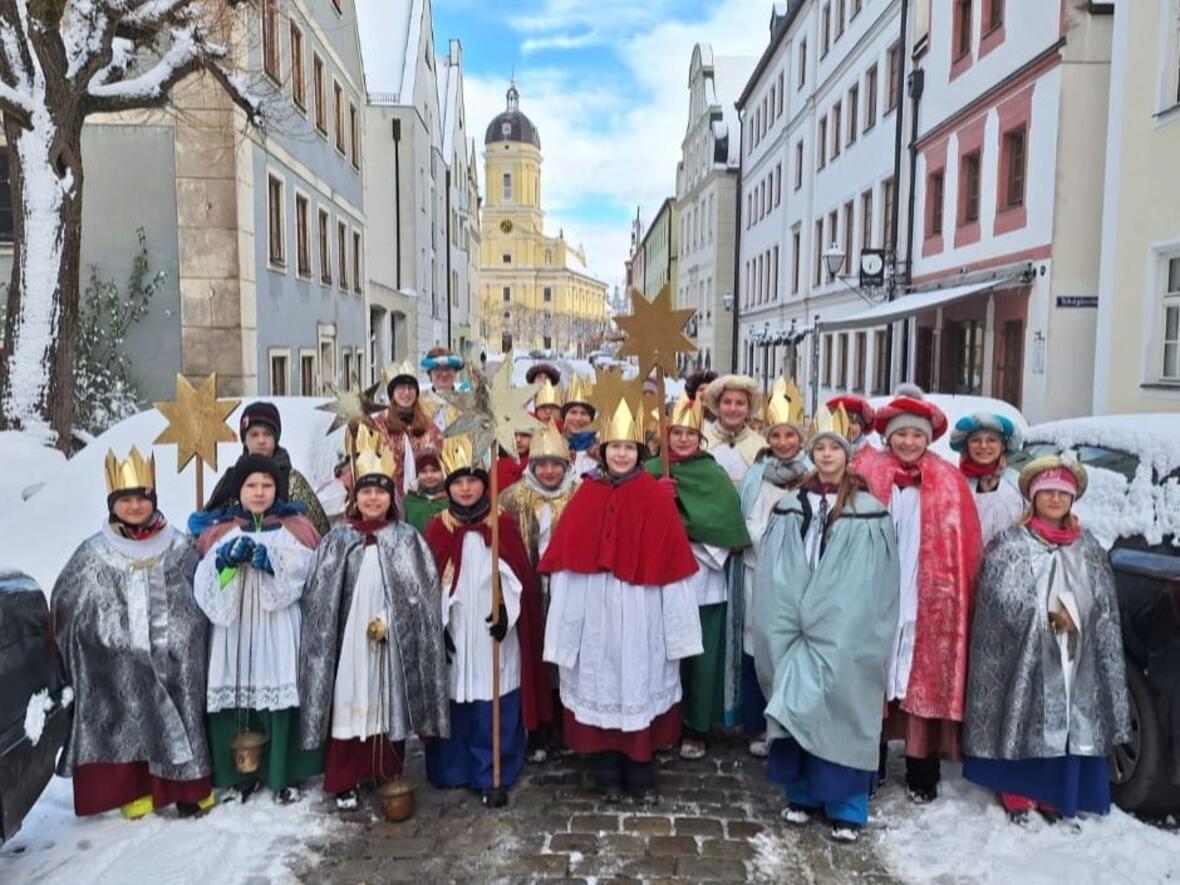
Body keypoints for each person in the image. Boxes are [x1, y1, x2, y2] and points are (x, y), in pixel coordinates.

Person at [541, 401, 703, 804]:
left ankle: (640, 772)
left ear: (639, 453)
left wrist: (678, 631)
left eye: (629, 449)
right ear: (603, 449)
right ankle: (606, 773)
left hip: (641, 607)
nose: (621, 455)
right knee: (598, 680)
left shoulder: (654, 496)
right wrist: (564, 625)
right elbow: (567, 565)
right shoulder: (586, 493)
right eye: (615, 447)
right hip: (595, 608)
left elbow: (674, 568)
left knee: (638, 681)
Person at [754, 407, 899, 842]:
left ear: (848, 453)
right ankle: (802, 794)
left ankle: (846, 805)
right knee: (796, 699)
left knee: (843, 704)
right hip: (794, 623)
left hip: (844, 627)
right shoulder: (791, 505)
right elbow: (775, 570)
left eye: (835, 447)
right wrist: (789, 613)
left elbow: (873, 581)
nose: (826, 454)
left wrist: (839, 618)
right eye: (820, 446)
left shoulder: (868, 510)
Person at [963, 456, 1130, 823]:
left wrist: (1076, 618)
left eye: (1062, 493)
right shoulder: (1010, 545)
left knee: (1066, 721)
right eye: (1047, 492)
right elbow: (998, 599)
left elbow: (1102, 605)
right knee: (1024, 713)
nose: (1055, 499)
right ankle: (1018, 790)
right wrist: (1038, 617)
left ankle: (1058, 791)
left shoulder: (1088, 548)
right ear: (1033, 498)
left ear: (1072, 500)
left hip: (1073, 654)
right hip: (1023, 650)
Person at [52, 448, 213, 819]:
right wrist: (101, 634)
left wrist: (185, 631)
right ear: (113, 504)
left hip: (175, 648)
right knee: (128, 695)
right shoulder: (95, 552)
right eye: (126, 499)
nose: (136, 506)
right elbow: (68, 598)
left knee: (182, 697)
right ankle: (136, 788)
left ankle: (186, 786)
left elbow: (198, 590)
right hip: (122, 649)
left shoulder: (177, 544)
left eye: (142, 497)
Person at [299, 426, 449, 810]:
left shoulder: (406, 539)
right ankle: (345, 777)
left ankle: (387, 771)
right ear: (355, 496)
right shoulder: (337, 540)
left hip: (389, 636)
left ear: (391, 497)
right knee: (349, 699)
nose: (372, 499)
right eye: (365, 491)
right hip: (349, 639)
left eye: (380, 492)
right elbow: (319, 600)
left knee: (387, 699)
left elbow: (421, 592)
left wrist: (392, 620)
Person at [857, 385, 983, 803]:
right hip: (874, 596)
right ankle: (865, 762)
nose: (908, 442)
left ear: (927, 439)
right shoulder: (867, 474)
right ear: (888, 436)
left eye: (916, 435)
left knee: (919, 678)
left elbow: (964, 548)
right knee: (870, 673)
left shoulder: (948, 481)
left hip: (927, 599)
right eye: (901, 435)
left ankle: (920, 768)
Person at [422, 436, 552, 806]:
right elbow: (427, 581)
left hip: (495, 632)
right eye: (458, 481)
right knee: (456, 696)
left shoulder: (502, 526)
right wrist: (439, 625)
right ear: (448, 486)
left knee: (494, 700)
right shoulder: (437, 528)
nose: (465, 488)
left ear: (485, 483)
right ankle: (454, 769)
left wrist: (507, 613)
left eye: (473, 480)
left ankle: (494, 771)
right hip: (456, 630)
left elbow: (519, 578)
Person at [193, 453, 323, 804]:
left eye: (267, 485)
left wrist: (274, 564)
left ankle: (286, 772)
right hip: (235, 630)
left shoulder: (293, 530)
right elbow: (204, 583)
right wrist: (224, 565)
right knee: (238, 694)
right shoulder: (222, 533)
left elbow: (308, 573)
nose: (260, 492)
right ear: (239, 491)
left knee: (281, 693)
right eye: (252, 485)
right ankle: (241, 773)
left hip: (278, 627)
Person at [647, 394, 750, 761]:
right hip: (660, 582)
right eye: (676, 433)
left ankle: (697, 728)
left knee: (700, 659)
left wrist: (690, 532)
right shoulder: (650, 471)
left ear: (701, 438)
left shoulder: (713, 474)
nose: (683, 440)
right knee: (661, 656)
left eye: (690, 433)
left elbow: (727, 528)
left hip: (704, 580)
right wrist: (657, 502)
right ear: (665, 435)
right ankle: (663, 724)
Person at [737, 381, 811, 756]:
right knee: (756, 647)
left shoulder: (813, 476)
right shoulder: (756, 475)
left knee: (792, 649)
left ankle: (789, 722)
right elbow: (744, 519)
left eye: (789, 435)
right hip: (756, 575)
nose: (783, 442)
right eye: (776, 435)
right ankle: (758, 723)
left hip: (798, 583)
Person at [500, 421, 580, 760]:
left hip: (567, 587)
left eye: (555, 465)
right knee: (533, 653)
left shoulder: (579, 495)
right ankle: (537, 726)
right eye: (542, 464)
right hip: (529, 588)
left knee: (565, 655)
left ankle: (566, 723)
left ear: (566, 466)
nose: (549, 472)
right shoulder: (512, 498)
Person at [204, 401, 330, 536]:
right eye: (254, 434)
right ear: (244, 439)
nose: (261, 440)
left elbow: (321, 532)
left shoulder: (292, 480)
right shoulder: (231, 479)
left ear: (276, 438)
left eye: (267, 434)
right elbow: (208, 528)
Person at [949, 413, 1025, 548]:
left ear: (1003, 446)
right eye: (975, 440)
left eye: (992, 440)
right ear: (967, 447)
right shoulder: (954, 485)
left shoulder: (1018, 485)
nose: (983, 446)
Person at [376, 360, 444, 495]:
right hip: (387, 501)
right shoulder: (377, 426)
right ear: (392, 394)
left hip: (423, 500)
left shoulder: (429, 427)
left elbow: (443, 462)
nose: (406, 392)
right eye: (401, 387)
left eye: (410, 387)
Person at [701, 375, 765, 482]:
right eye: (727, 402)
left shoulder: (761, 447)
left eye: (740, 403)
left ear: (748, 408)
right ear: (718, 405)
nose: (733, 409)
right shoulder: (701, 443)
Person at [562, 374, 599, 479]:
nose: (578, 418)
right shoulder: (553, 445)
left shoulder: (601, 450)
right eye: (573, 412)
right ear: (564, 416)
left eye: (584, 413)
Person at [420, 346, 465, 433]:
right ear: (430, 374)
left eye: (448, 369)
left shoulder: (466, 403)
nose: (444, 374)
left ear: (455, 372)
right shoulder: (419, 404)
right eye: (438, 369)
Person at [403, 449, 449, 532]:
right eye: (423, 471)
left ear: (443, 473)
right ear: (418, 475)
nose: (429, 476)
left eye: (434, 470)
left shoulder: (451, 500)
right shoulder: (409, 501)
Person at [826, 395, 879, 466]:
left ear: (861, 428)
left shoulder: (874, 460)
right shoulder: (819, 453)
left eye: (853, 422)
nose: (848, 427)